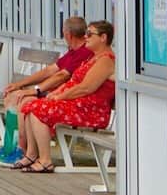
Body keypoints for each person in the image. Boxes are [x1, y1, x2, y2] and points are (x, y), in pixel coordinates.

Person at [13, 21, 118, 174]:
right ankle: (31, 154)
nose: (85, 37)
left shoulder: (106, 60)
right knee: (31, 106)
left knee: (37, 109)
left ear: (103, 37)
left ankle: (45, 160)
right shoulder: (94, 58)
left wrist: (59, 97)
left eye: (90, 34)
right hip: (78, 105)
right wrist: (54, 94)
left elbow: (85, 88)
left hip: (90, 111)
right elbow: (73, 81)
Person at [0, 16, 92, 166]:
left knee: (24, 101)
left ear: (67, 34)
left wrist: (34, 91)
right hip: (57, 95)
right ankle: (11, 147)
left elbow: (61, 76)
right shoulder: (73, 51)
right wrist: (20, 84)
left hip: (65, 98)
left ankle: (21, 149)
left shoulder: (83, 52)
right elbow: (51, 70)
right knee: (13, 96)